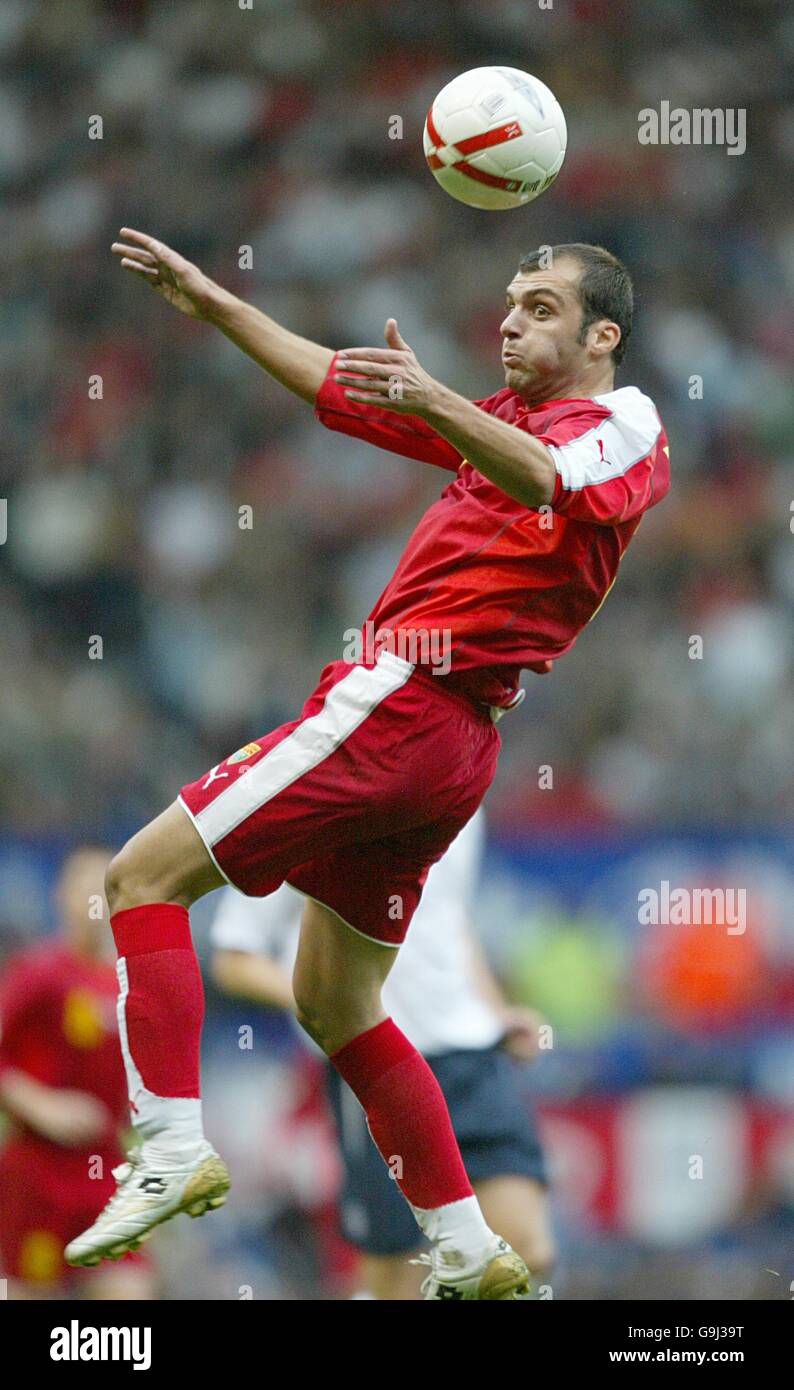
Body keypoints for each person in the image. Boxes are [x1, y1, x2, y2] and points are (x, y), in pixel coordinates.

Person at [66, 232, 668, 1299]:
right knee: (336, 1004)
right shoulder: (503, 423)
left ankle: (165, 1144)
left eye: (537, 306)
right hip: (448, 743)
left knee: (135, 879)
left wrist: (436, 400)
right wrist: (215, 304)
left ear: (601, 334)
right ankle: (468, 1246)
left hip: (396, 700)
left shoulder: (619, 423)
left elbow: (550, 480)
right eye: (508, 301)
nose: (509, 321)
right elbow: (341, 384)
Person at [210, 810, 555, 1298]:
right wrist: (331, 1002)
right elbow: (234, 958)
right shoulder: (309, 807)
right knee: (397, 1277)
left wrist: (496, 1011)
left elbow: (447, 918)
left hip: (471, 1055)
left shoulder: (463, 793)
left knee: (526, 1251)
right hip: (373, 1067)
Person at [0, 846, 156, 1299]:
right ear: (62, 896)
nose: (97, 901)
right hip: (38, 1173)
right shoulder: (37, 973)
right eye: (87, 887)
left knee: (130, 1292)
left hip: (107, 1173)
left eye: (106, 889)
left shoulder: (131, 985)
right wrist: (41, 1105)